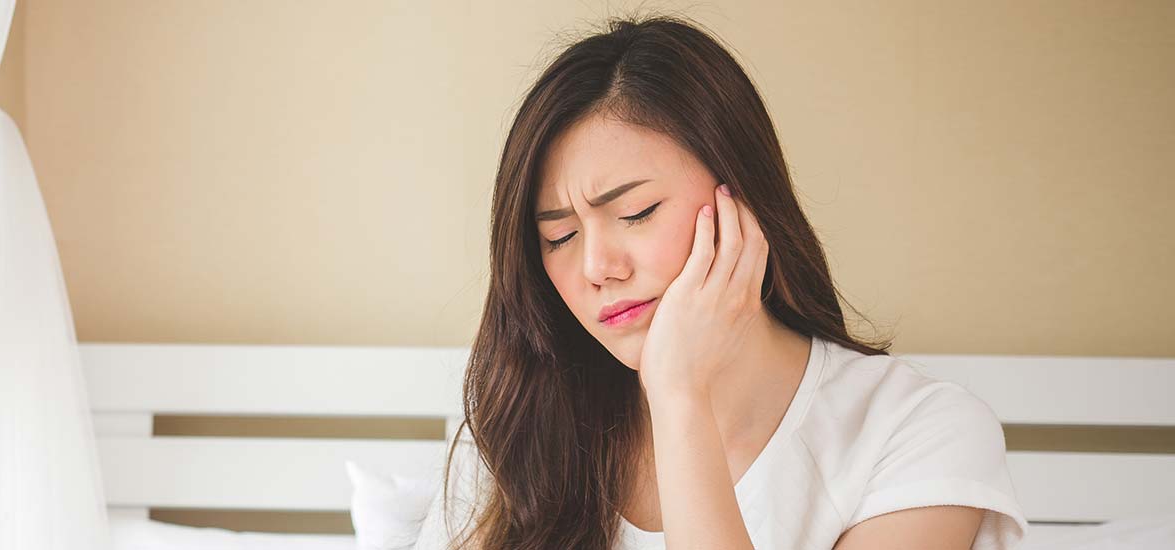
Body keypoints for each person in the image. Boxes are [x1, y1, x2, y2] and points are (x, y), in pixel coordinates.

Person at [412, 15, 1028, 550]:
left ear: (743, 197)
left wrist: (680, 395)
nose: (598, 267)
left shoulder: (916, 431)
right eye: (559, 237)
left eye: (635, 214)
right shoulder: (517, 430)